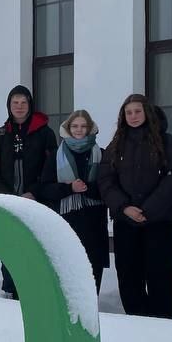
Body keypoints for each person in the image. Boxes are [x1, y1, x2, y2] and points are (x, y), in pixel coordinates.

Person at [98, 94, 172, 319]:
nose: (133, 116)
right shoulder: (116, 146)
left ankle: (162, 318)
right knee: (128, 272)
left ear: (147, 112)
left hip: (158, 219)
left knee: (159, 271)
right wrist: (124, 207)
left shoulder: (167, 142)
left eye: (137, 111)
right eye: (128, 112)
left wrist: (148, 210)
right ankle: (136, 319)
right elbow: (106, 181)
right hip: (125, 220)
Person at [0, 85, 57, 298]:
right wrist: (5, 195)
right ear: (9, 105)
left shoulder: (45, 133)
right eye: (15, 102)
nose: (19, 106)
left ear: (30, 105)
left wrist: (34, 191)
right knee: (9, 246)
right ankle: (10, 290)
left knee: (36, 246)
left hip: (37, 201)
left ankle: (36, 289)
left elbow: (50, 166)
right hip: (8, 203)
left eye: (23, 102)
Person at [38, 110, 109, 292]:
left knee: (92, 274)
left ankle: (90, 306)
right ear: (68, 128)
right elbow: (45, 188)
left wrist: (87, 188)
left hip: (94, 223)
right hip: (66, 223)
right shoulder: (56, 155)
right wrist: (69, 188)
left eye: (83, 126)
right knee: (68, 273)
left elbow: (108, 185)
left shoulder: (101, 153)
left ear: (90, 129)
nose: (79, 130)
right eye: (75, 126)